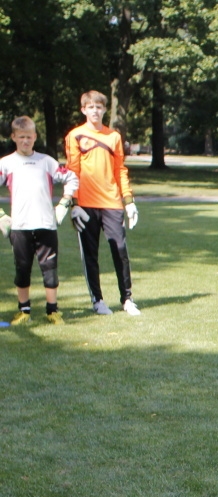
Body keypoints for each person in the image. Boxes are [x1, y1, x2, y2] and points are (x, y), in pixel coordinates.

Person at [65, 90, 140, 315]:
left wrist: (129, 201)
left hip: (112, 202)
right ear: (83, 110)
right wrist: (74, 203)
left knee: (119, 249)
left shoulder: (114, 136)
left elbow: (120, 170)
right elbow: (73, 171)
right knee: (90, 253)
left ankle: (127, 299)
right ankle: (97, 300)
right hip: (86, 204)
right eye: (91, 107)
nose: (95, 111)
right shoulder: (75, 135)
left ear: (105, 110)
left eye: (99, 107)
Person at [0, 116, 80, 325]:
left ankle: (52, 311)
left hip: (46, 223)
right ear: (14, 138)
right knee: (22, 268)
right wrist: (1, 216)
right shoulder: (6, 163)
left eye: (29, 137)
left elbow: (71, 178)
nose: (25, 141)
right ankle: (24, 310)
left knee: (50, 268)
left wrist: (64, 203)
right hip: (20, 225)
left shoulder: (46, 162)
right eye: (21, 137)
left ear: (35, 137)